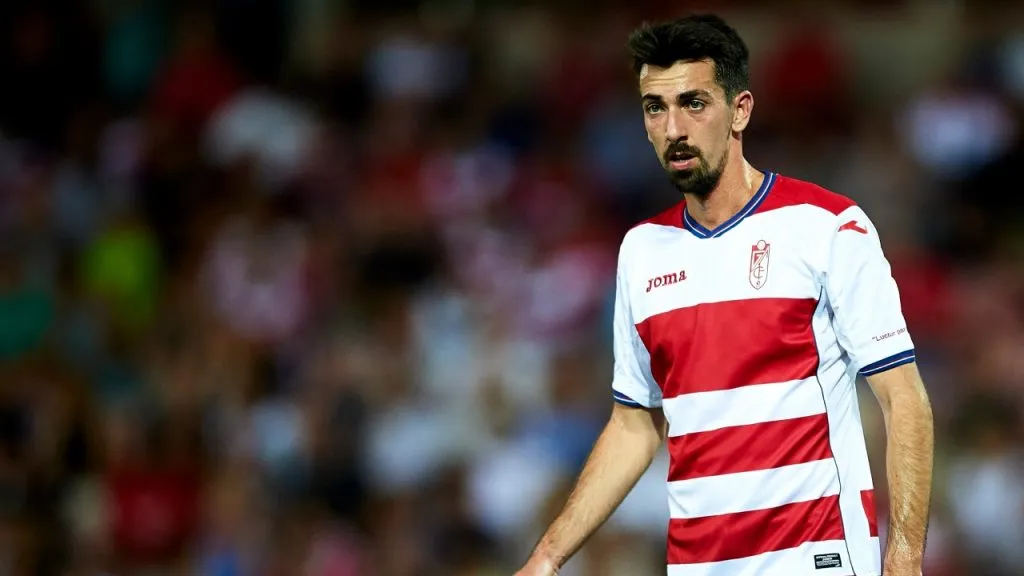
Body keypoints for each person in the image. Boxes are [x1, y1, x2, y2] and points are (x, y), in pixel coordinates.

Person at [515, 14, 934, 576]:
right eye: (654, 108)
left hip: (816, 558)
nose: (673, 129)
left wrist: (904, 560)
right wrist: (547, 556)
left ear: (740, 110)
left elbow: (902, 398)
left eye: (694, 103)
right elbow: (634, 424)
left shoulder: (828, 226)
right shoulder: (641, 251)